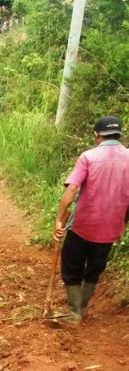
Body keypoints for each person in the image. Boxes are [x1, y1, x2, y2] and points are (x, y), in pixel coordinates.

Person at [53, 115, 129, 324]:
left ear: (97, 135)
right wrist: (123, 224)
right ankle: (83, 308)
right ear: (119, 135)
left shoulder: (88, 157)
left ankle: (75, 313)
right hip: (110, 229)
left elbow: (72, 189)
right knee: (95, 268)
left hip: (83, 226)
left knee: (72, 267)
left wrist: (59, 219)